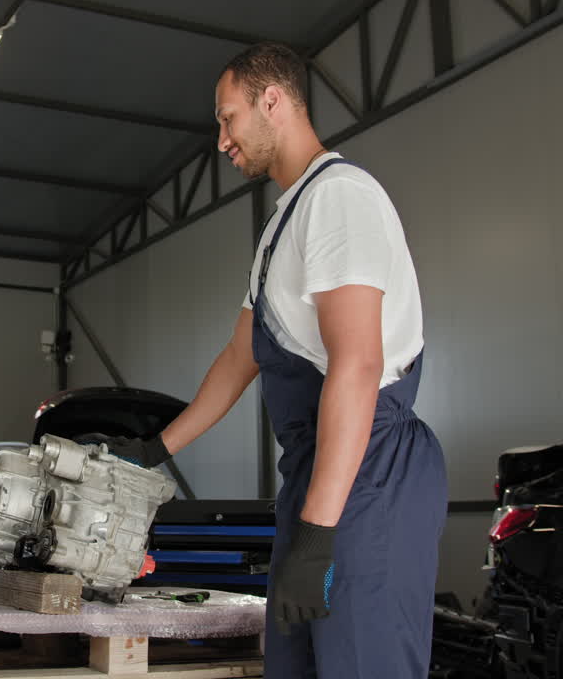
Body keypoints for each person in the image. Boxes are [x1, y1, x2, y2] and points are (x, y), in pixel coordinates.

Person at [96, 43, 447, 678]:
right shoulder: (287, 218)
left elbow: (359, 364)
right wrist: (154, 448)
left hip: (369, 476)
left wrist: (317, 536)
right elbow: (240, 356)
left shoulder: (339, 198)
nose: (222, 139)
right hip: (320, 477)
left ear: (273, 101)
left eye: (227, 118)